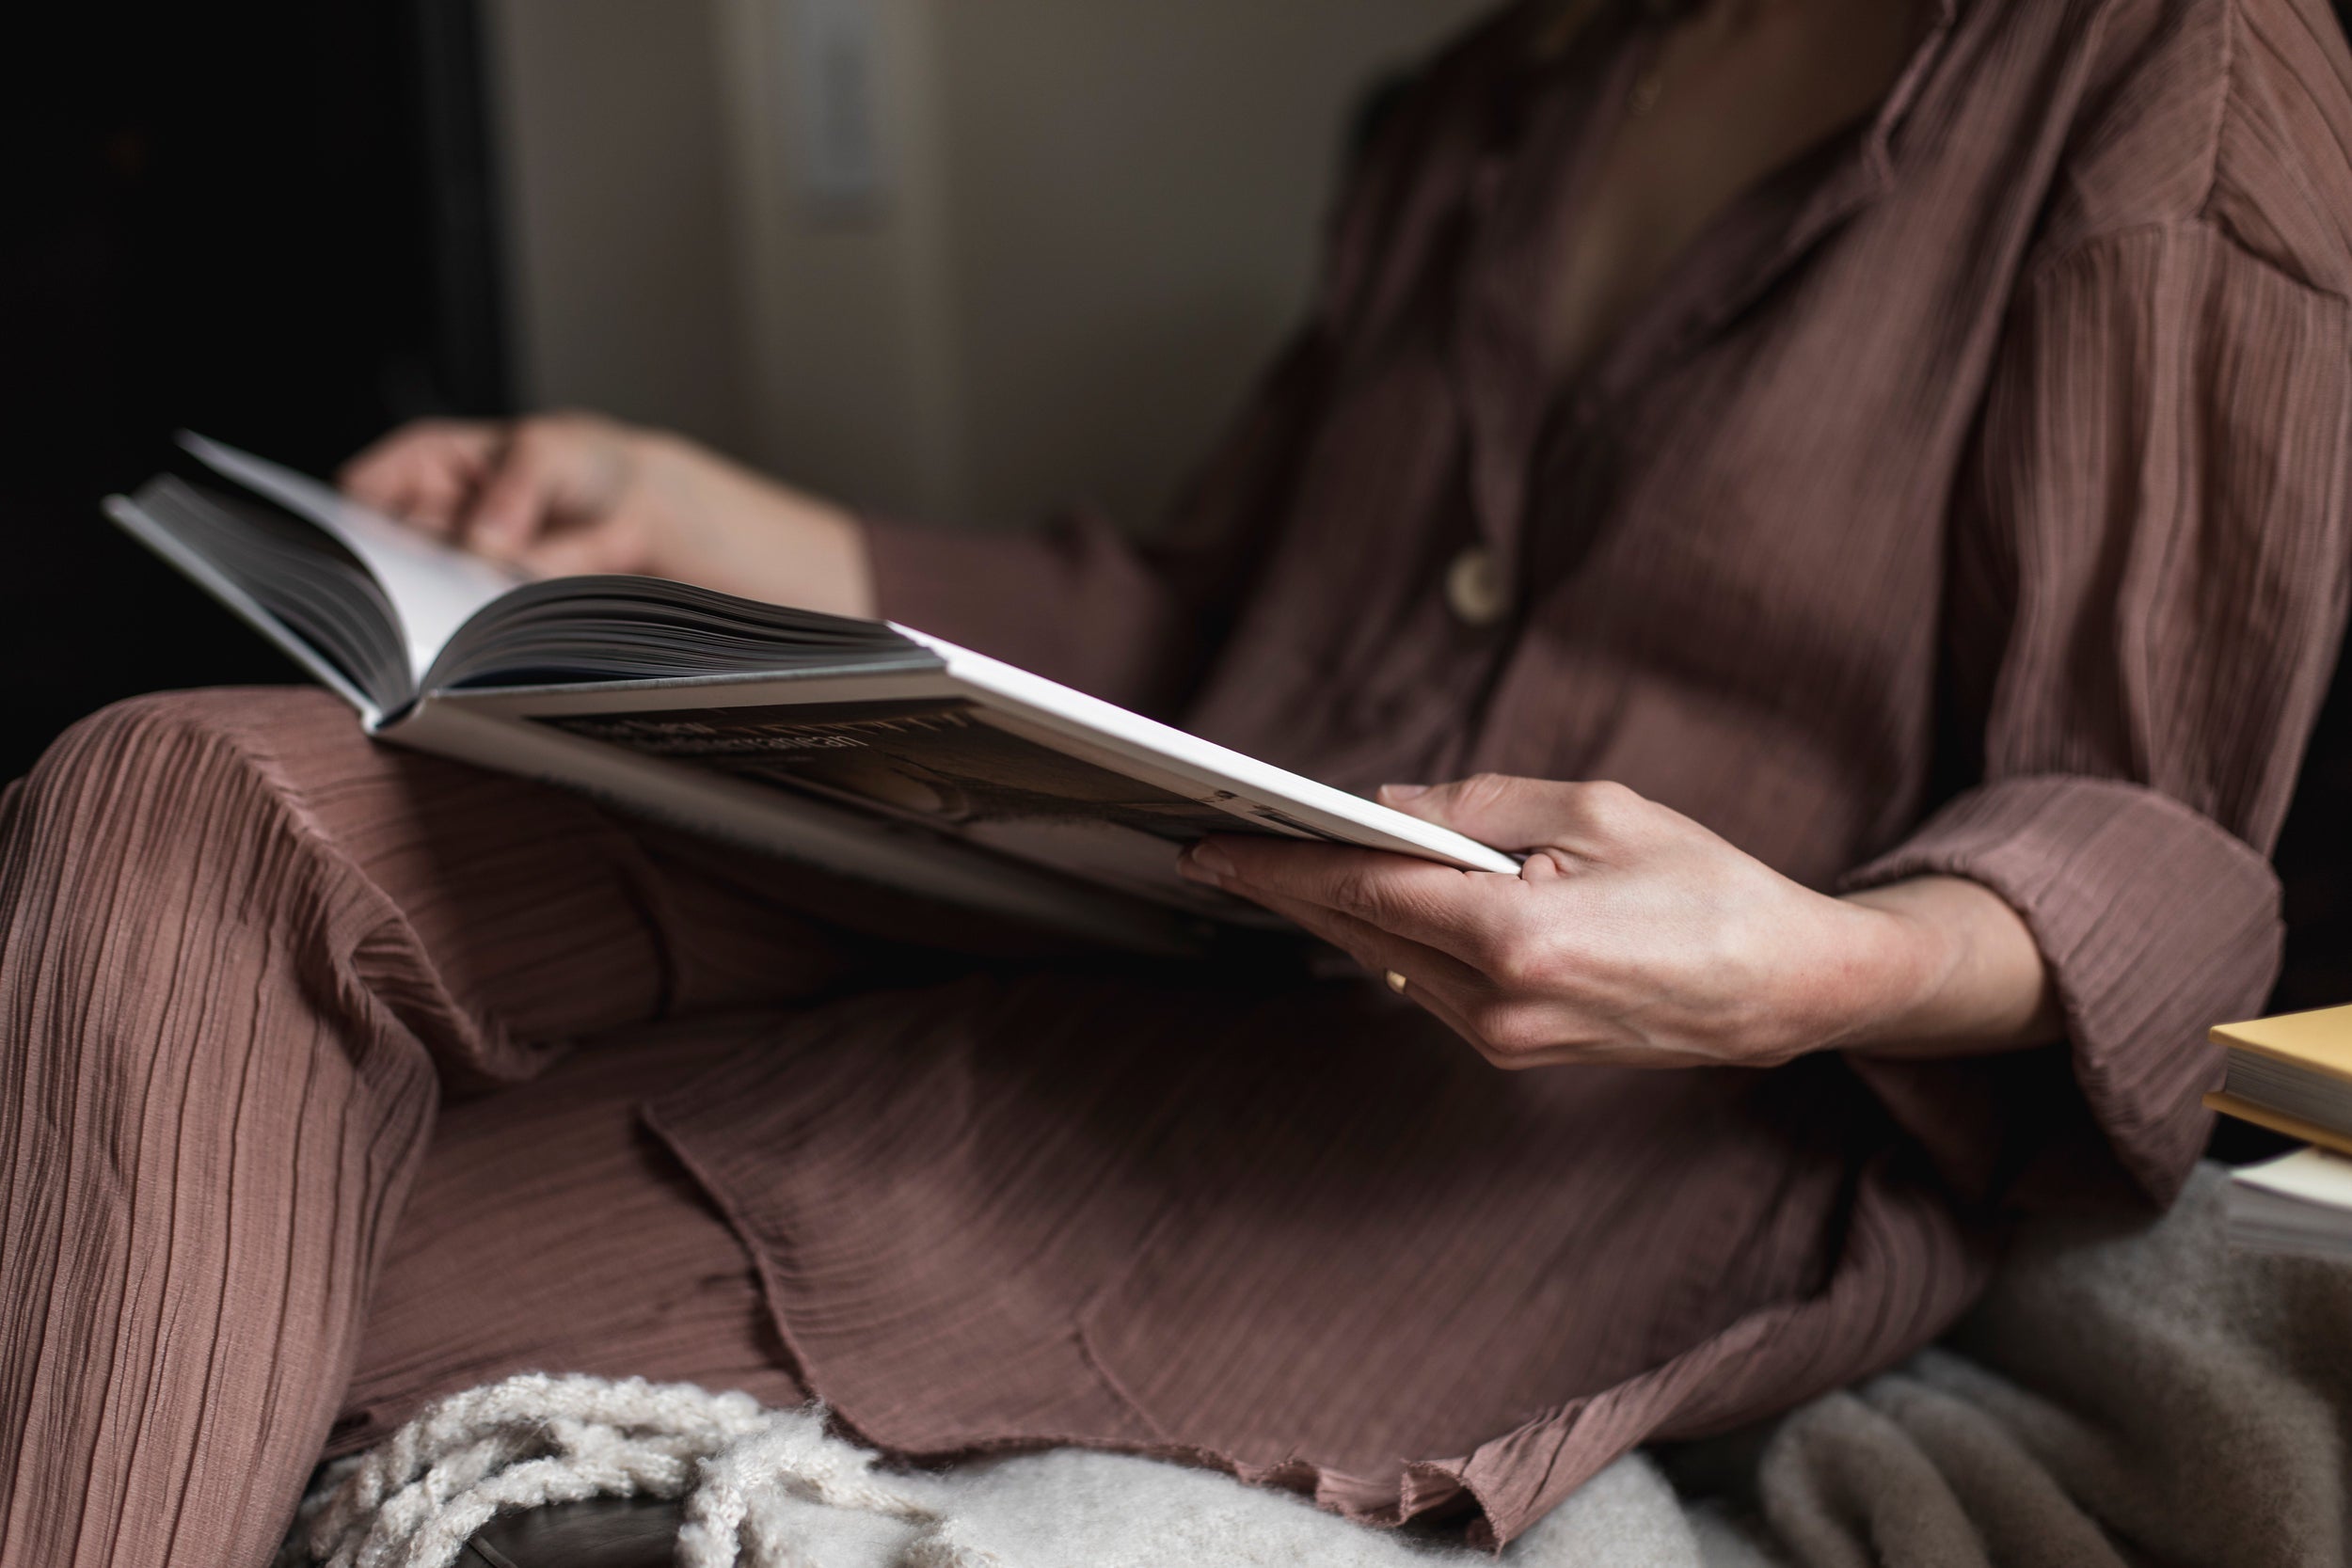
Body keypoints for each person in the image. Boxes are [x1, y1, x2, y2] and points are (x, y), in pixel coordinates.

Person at [8, 0, 2352, 1561]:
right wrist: (708, 523)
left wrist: (1804, 964)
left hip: (1581, 1114)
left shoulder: (2180, 74)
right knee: (170, 798)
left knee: (207, 1262)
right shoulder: (1509, 87)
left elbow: (2159, 833)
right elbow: (1227, 598)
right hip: (1193, 873)